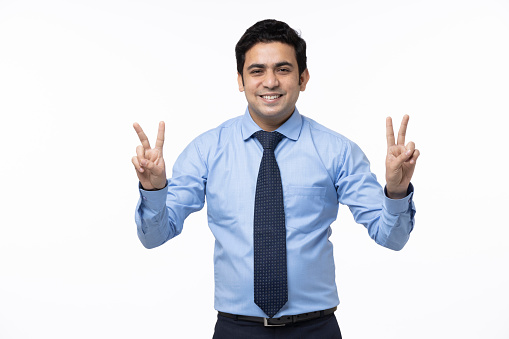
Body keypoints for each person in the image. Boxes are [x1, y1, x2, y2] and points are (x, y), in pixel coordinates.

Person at [132, 19, 419, 338]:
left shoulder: (336, 151)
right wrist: (153, 189)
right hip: (235, 329)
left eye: (283, 69)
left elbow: (392, 238)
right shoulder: (207, 150)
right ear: (240, 80)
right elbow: (154, 237)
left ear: (303, 78)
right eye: (257, 71)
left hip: (316, 329)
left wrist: (396, 191)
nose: (270, 82)